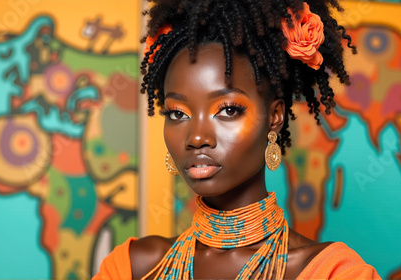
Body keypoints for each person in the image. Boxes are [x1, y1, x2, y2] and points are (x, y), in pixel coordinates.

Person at [94, 0, 381, 279]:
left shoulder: (335, 273)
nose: (196, 137)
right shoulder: (134, 267)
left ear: (275, 117)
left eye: (228, 110)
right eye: (177, 113)